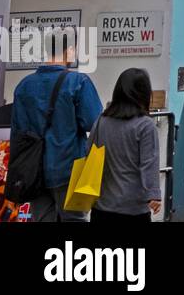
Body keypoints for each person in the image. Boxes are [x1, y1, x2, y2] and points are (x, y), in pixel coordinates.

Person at [10, 35, 102, 222]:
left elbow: (18, 131)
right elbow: (94, 122)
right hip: (70, 168)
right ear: (68, 50)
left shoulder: (24, 86)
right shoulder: (78, 82)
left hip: (34, 171)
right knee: (75, 221)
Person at [88, 68, 164, 221]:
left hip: (102, 207)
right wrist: (153, 194)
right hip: (133, 209)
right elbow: (149, 163)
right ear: (144, 94)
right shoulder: (145, 125)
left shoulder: (101, 121)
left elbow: (88, 153)